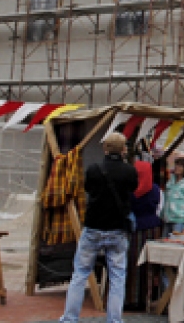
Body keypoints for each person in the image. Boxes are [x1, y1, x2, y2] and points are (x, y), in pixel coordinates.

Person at [59, 132, 138, 323]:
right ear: (123, 150)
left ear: (105, 148)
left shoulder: (94, 169)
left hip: (93, 227)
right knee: (117, 277)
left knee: (80, 273)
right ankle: (114, 320)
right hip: (118, 229)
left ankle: (70, 318)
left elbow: (88, 189)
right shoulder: (129, 171)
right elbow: (133, 189)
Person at [126, 160, 161, 310]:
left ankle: (131, 299)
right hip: (153, 229)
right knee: (149, 264)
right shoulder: (155, 189)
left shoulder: (129, 189)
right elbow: (159, 207)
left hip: (135, 230)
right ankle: (147, 299)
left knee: (133, 264)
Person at [162, 157, 184, 235]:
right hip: (167, 220)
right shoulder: (170, 183)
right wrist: (162, 216)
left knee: (176, 245)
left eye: (180, 166)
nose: (176, 167)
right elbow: (165, 201)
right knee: (165, 245)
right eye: (176, 165)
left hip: (180, 222)